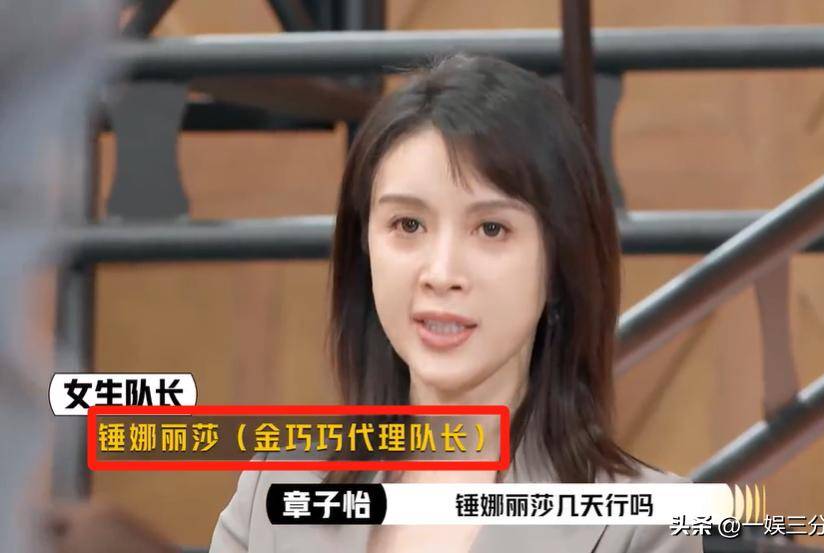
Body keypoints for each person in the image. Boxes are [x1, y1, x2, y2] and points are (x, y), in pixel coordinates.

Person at [210, 54, 702, 553]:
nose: (442, 274)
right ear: (365, 247)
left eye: (491, 229)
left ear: (559, 263)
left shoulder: (643, 527)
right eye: (408, 225)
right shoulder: (273, 495)